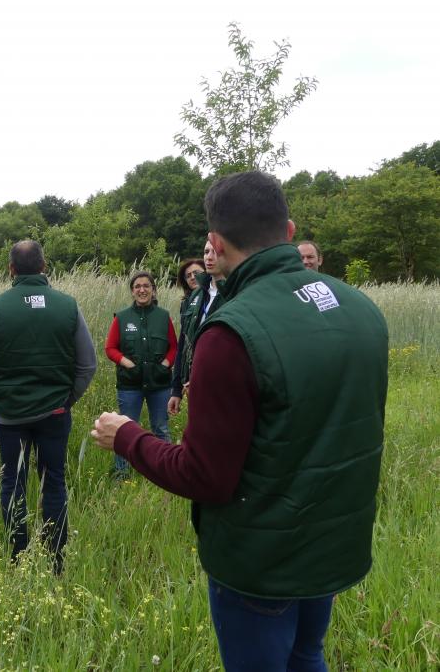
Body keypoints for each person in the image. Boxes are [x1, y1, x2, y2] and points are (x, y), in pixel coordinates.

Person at [92, 171, 388, 671]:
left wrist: (128, 437)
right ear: (290, 232)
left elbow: (204, 475)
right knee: (307, 655)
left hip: (261, 563)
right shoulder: (361, 309)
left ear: (215, 244)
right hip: (333, 548)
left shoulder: (231, 332)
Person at [0, 240, 97, 574]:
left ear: (11, 269)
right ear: (44, 267)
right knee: (53, 482)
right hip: (56, 413)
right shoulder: (68, 305)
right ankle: (55, 561)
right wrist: (67, 399)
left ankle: (17, 557)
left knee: (13, 480)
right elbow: (88, 365)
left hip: (9, 415)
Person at [104, 271, 177, 478]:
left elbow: (174, 348)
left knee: (161, 429)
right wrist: (127, 363)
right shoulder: (122, 317)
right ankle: (122, 475)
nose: (142, 290)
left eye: (146, 286)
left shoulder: (163, 317)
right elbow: (110, 348)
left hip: (160, 384)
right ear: (132, 291)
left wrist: (164, 365)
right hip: (130, 385)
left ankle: (168, 474)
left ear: (153, 290)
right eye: (137, 286)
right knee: (125, 429)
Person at [172, 240, 225, 413]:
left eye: (214, 252)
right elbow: (184, 344)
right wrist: (176, 389)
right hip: (192, 387)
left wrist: (201, 378)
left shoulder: (236, 294)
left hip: (221, 388)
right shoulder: (196, 295)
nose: (209, 257)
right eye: (206, 251)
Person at [167, 257, 204, 415]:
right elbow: (183, 344)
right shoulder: (186, 304)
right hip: (191, 376)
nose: (192, 277)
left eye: (196, 273)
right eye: (188, 275)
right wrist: (176, 389)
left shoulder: (221, 297)